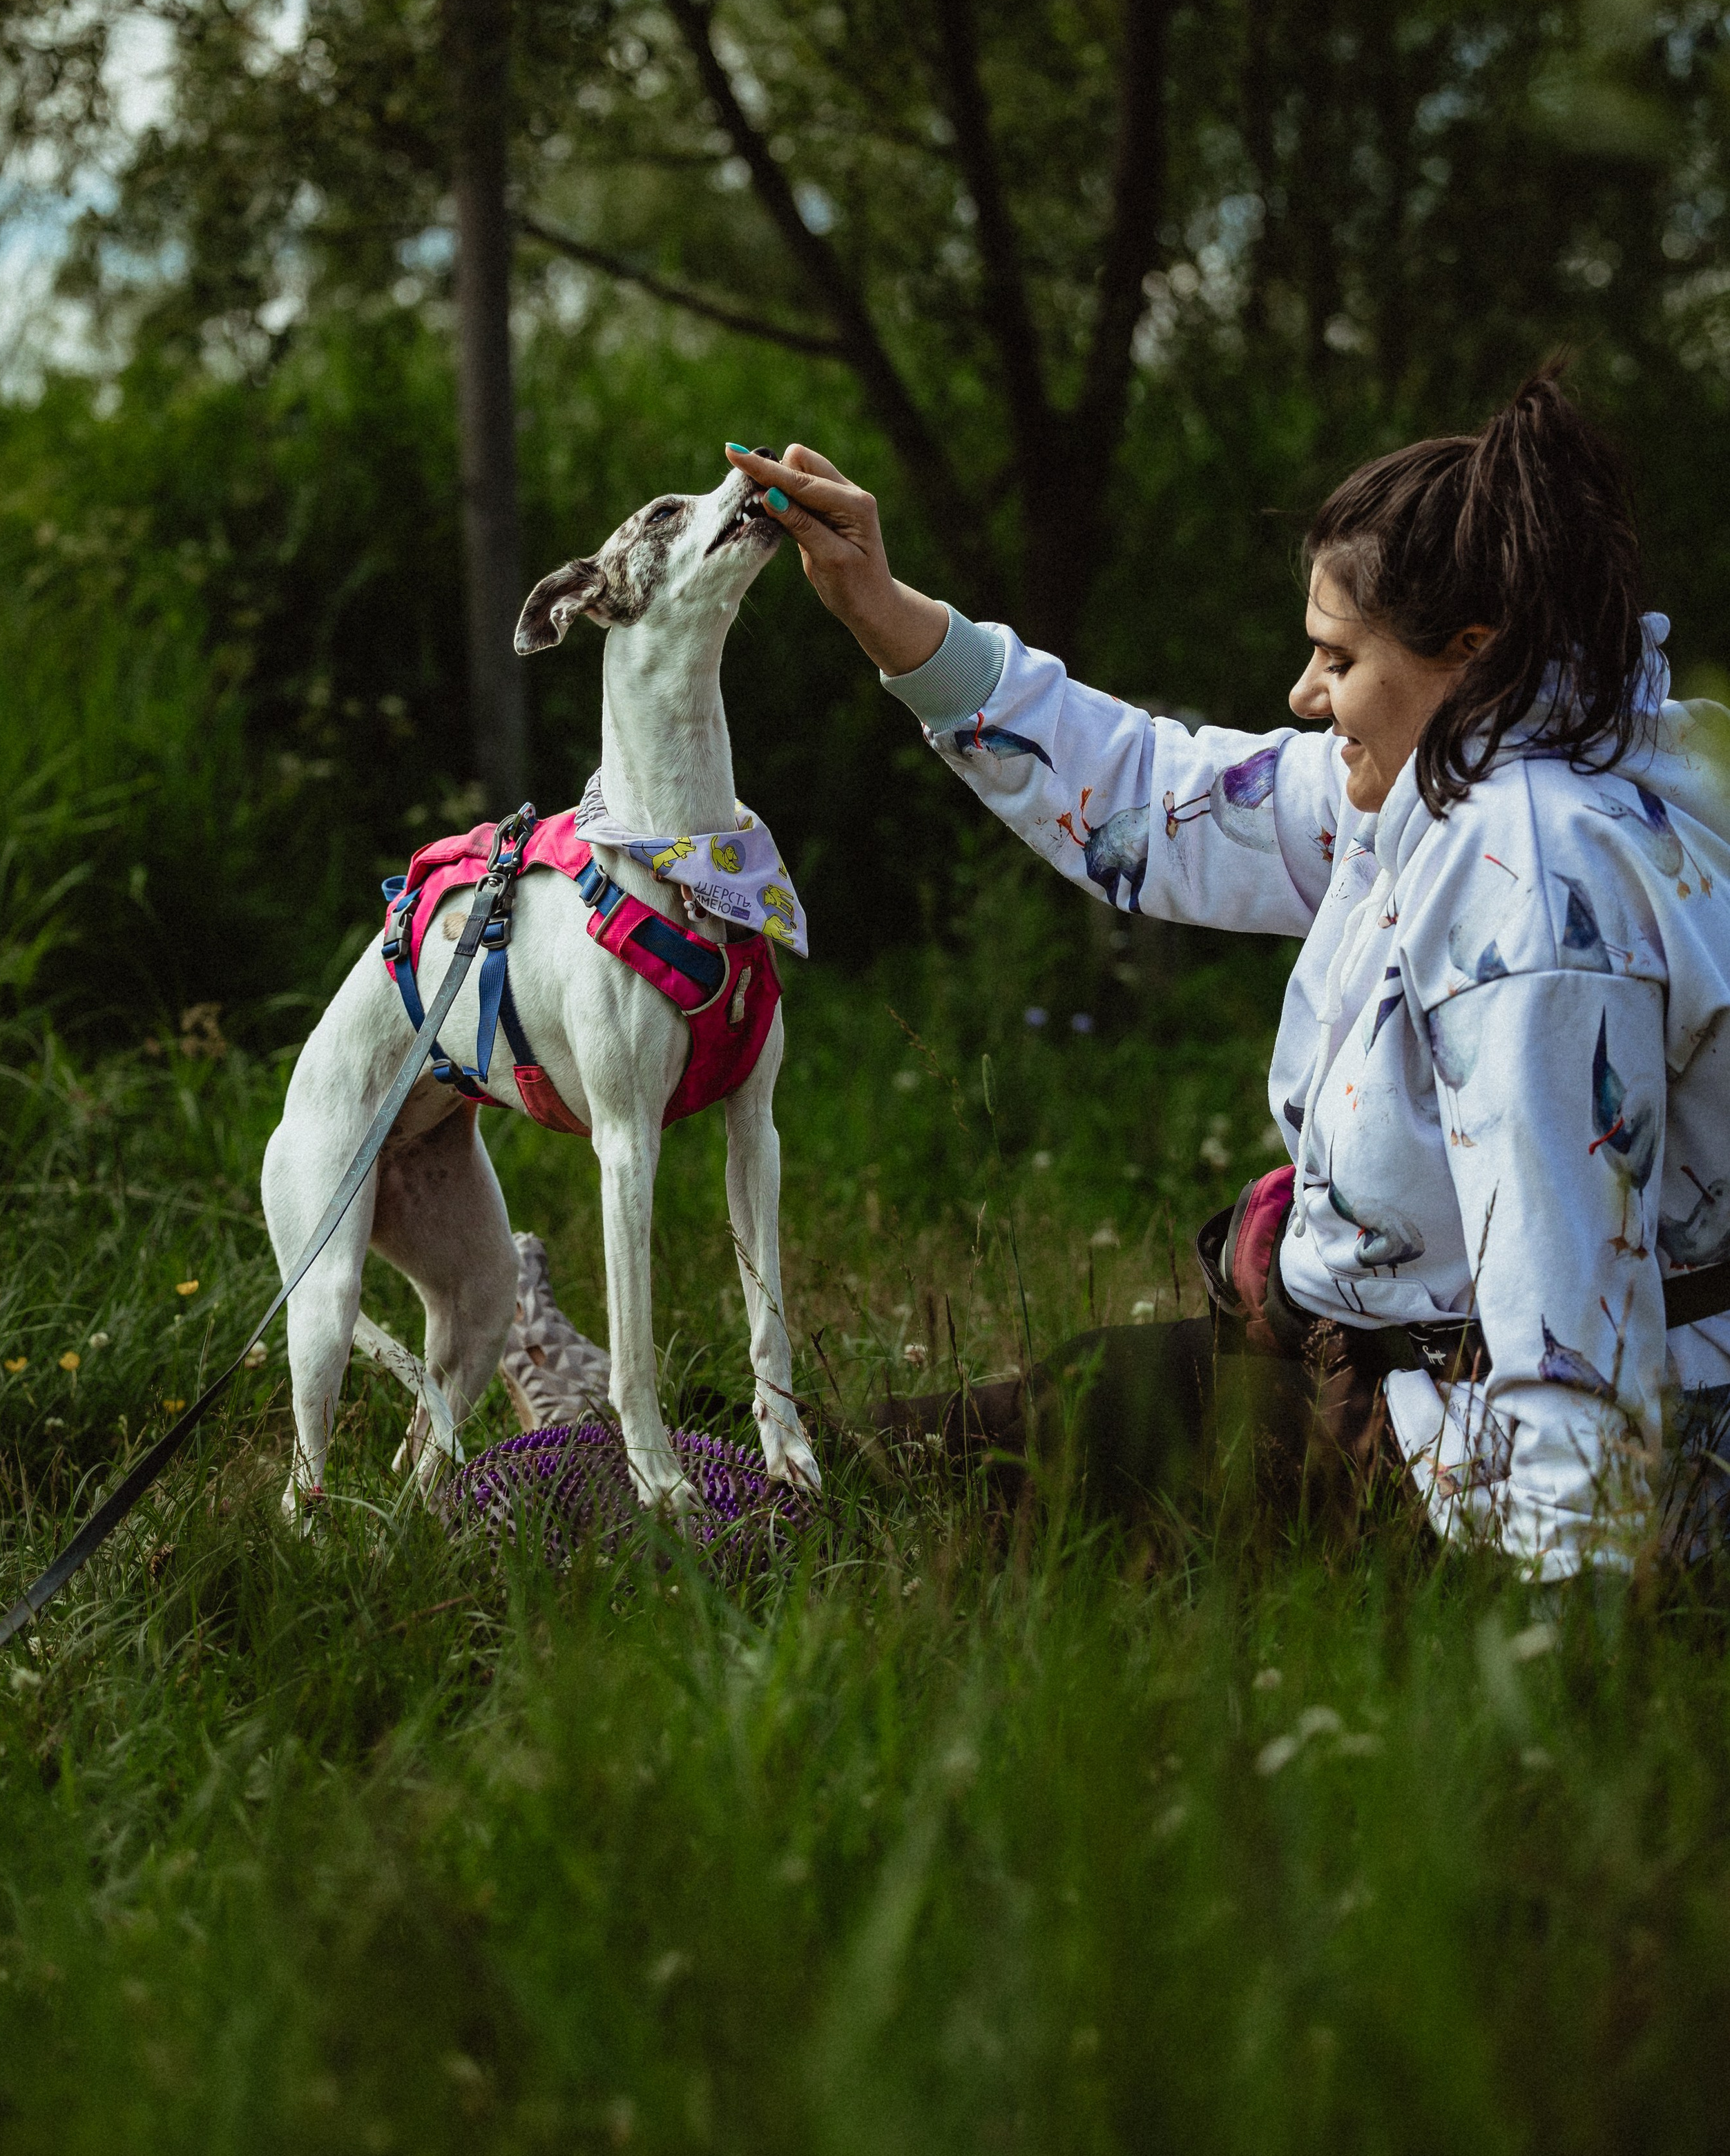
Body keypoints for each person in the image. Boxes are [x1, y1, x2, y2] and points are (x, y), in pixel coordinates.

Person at [727, 373, 1730, 1576]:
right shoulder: (1491, 764)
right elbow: (1161, 802)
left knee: (979, 1486)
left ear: (1473, 653)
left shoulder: (1535, 885)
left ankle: (636, 1482)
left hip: (1471, 1479)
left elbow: (1576, 1318)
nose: (1305, 697)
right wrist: (884, 611)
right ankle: (670, 1450)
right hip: (1390, 1395)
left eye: (1336, 658)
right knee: (1040, 1413)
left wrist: (1575, 1631)